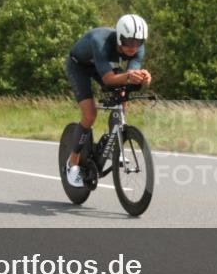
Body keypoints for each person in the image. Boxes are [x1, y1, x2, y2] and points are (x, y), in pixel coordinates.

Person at [64, 14, 152, 187]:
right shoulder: (100, 41)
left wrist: (144, 79)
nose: (133, 47)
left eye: (138, 42)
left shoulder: (138, 48)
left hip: (103, 66)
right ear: (119, 37)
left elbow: (130, 80)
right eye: (128, 42)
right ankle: (72, 162)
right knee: (90, 114)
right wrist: (128, 76)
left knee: (123, 93)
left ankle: (115, 147)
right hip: (79, 66)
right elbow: (108, 79)